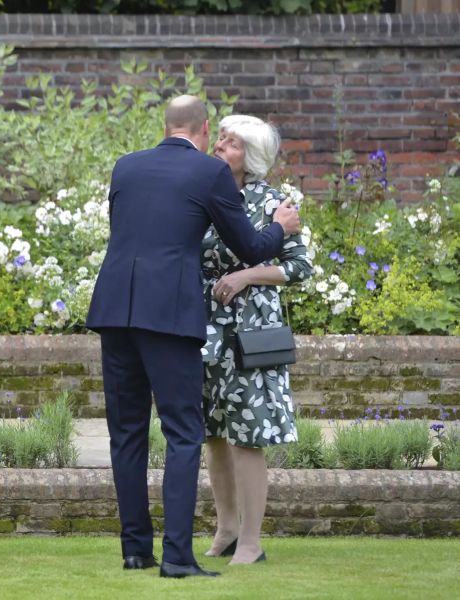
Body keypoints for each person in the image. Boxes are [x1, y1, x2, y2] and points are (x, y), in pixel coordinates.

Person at [85, 95, 302, 579]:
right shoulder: (209, 174)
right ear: (203, 129)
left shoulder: (127, 167)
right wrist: (278, 227)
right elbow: (249, 246)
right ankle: (179, 557)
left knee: (127, 434)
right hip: (169, 314)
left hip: (116, 309)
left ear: (166, 125)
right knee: (184, 433)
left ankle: (136, 550)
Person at [201, 115, 313, 565]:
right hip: (206, 330)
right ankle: (226, 528)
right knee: (212, 433)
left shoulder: (272, 203)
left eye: (232, 143)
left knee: (248, 435)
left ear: (253, 158)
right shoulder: (204, 196)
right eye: (222, 138)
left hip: (252, 334)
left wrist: (247, 275)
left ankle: (251, 540)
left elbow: (299, 268)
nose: (221, 145)